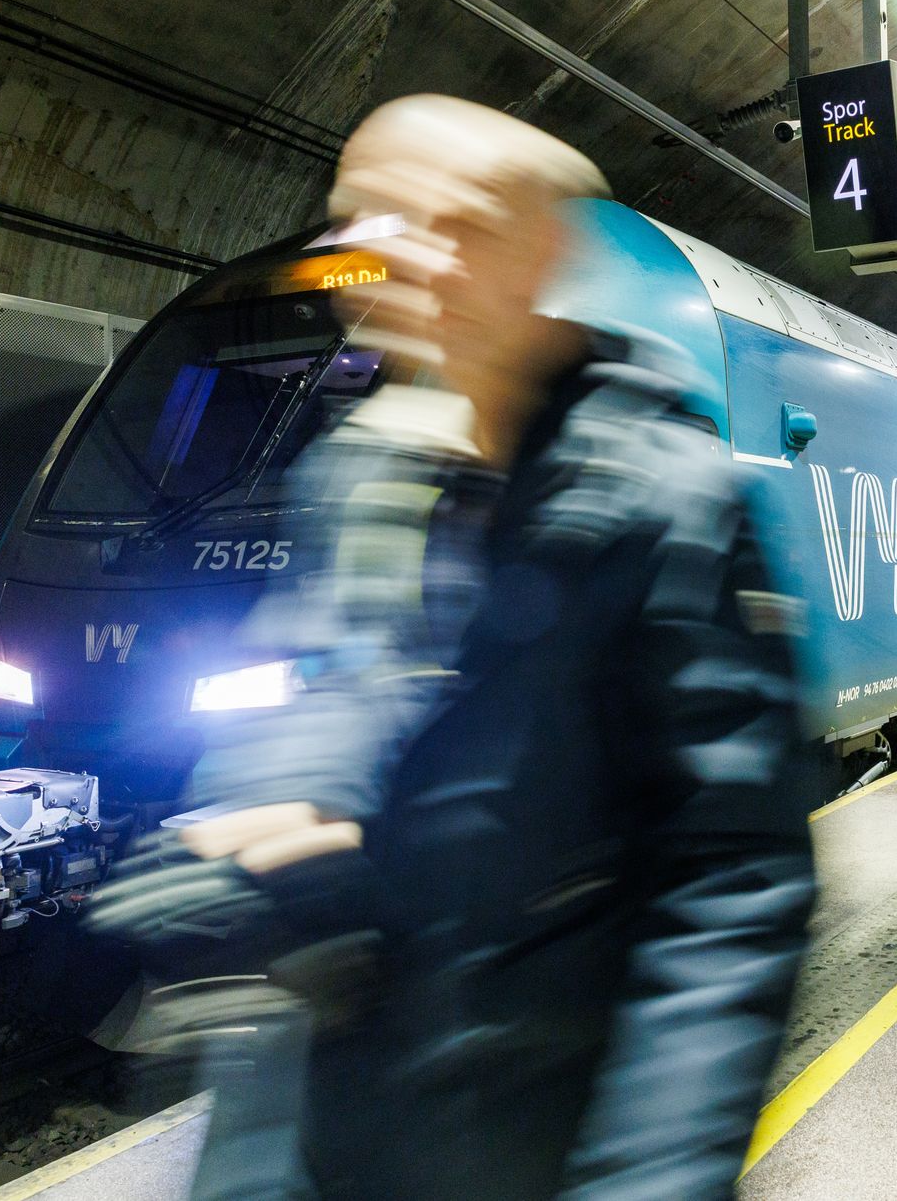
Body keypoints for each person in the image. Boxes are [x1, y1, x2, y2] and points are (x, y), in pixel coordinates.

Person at [103, 97, 817, 1199]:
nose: (381, 254)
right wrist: (278, 798)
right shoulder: (354, 475)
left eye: (447, 224)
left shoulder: (668, 501)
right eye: (362, 219)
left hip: (538, 1128)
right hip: (334, 1113)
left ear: (543, 256)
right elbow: (312, 682)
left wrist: (654, 1175)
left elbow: (732, 874)